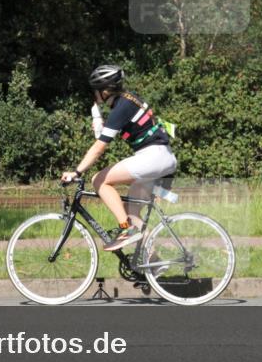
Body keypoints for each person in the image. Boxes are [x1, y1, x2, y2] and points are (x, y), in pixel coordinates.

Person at [61, 64, 177, 250]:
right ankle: (154, 264)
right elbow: (136, 125)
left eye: (96, 90)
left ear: (106, 90)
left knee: (99, 180)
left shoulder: (121, 107)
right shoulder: (129, 99)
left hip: (152, 157)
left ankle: (126, 230)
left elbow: (99, 148)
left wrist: (76, 172)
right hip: (163, 157)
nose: (95, 95)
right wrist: (106, 125)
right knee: (133, 214)